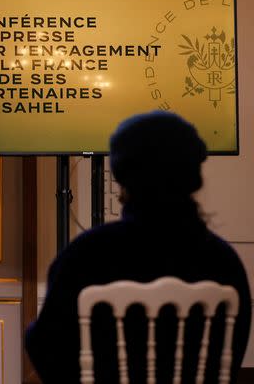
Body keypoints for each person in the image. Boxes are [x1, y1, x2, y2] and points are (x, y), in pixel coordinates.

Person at [25, 111, 251, 383]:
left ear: (121, 177)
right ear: (193, 176)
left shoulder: (86, 254)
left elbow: (45, 347)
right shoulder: (224, 262)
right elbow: (231, 355)